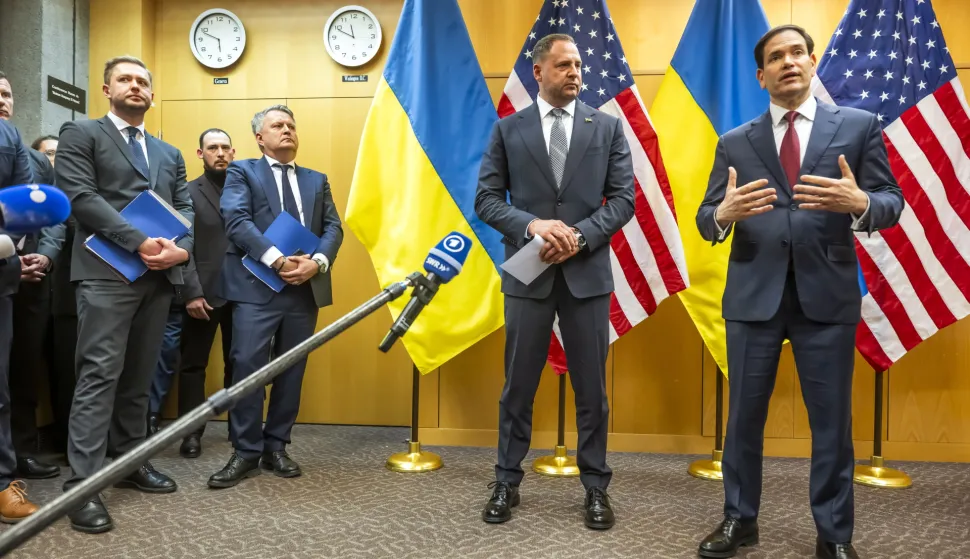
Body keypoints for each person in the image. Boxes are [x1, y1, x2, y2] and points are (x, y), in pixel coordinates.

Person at [694, 25, 904, 559]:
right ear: (761, 75)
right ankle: (740, 521)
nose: (787, 62)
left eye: (796, 53)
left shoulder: (857, 128)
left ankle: (834, 535)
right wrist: (721, 214)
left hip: (826, 295)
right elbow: (705, 217)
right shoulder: (735, 141)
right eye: (774, 57)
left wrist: (859, 202)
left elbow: (890, 201)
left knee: (831, 422)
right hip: (752, 295)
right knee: (742, 418)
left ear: (812, 63)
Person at [474, 33, 634, 531]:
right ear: (538, 71)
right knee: (518, 385)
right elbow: (486, 200)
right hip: (528, 271)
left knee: (592, 389)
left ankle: (595, 487)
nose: (575, 73)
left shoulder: (606, 127)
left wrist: (579, 237)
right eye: (563, 65)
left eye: (579, 65)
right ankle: (506, 479)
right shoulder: (508, 129)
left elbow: (624, 199)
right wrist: (534, 226)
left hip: (587, 274)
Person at [55, 55, 194, 534]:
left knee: (139, 378)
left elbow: (185, 210)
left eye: (143, 81)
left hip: (157, 278)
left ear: (152, 94)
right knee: (99, 376)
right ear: (106, 88)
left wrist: (181, 251)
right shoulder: (82, 134)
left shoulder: (168, 152)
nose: (135, 87)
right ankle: (83, 485)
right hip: (105, 273)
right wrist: (138, 241)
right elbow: (81, 197)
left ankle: (131, 462)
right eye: (126, 80)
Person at [209, 105, 342, 488]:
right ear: (259, 138)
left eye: (291, 125)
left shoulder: (317, 180)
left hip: (303, 289)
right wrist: (277, 260)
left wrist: (317, 262)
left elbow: (333, 227)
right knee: (248, 367)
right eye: (277, 126)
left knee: (291, 370)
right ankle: (246, 452)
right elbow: (236, 221)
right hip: (256, 286)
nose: (287, 131)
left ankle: (276, 446)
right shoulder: (242, 171)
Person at [149, 128, 236, 457]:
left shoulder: (246, 190)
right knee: (192, 366)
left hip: (244, 295)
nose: (220, 153)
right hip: (202, 294)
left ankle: (240, 429)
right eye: (213, 148)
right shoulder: (186, 193)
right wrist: (191, 293)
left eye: (225, 147)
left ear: (234, 152)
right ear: (200, 154)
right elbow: (183, 246)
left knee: (240, 364)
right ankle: (191, 433)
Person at [0, 71, 65, 480]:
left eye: (6, 93)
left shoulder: (37, 160)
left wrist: (45, 256)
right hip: (6, 270)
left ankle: (21, 452)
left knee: (22, 372)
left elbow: (58, 215)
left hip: (33, 280)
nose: (1, 100)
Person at [0, 117, 42, 522]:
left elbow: (24, 205)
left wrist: (8, 245)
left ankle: (0, 484)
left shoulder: (8, 134)